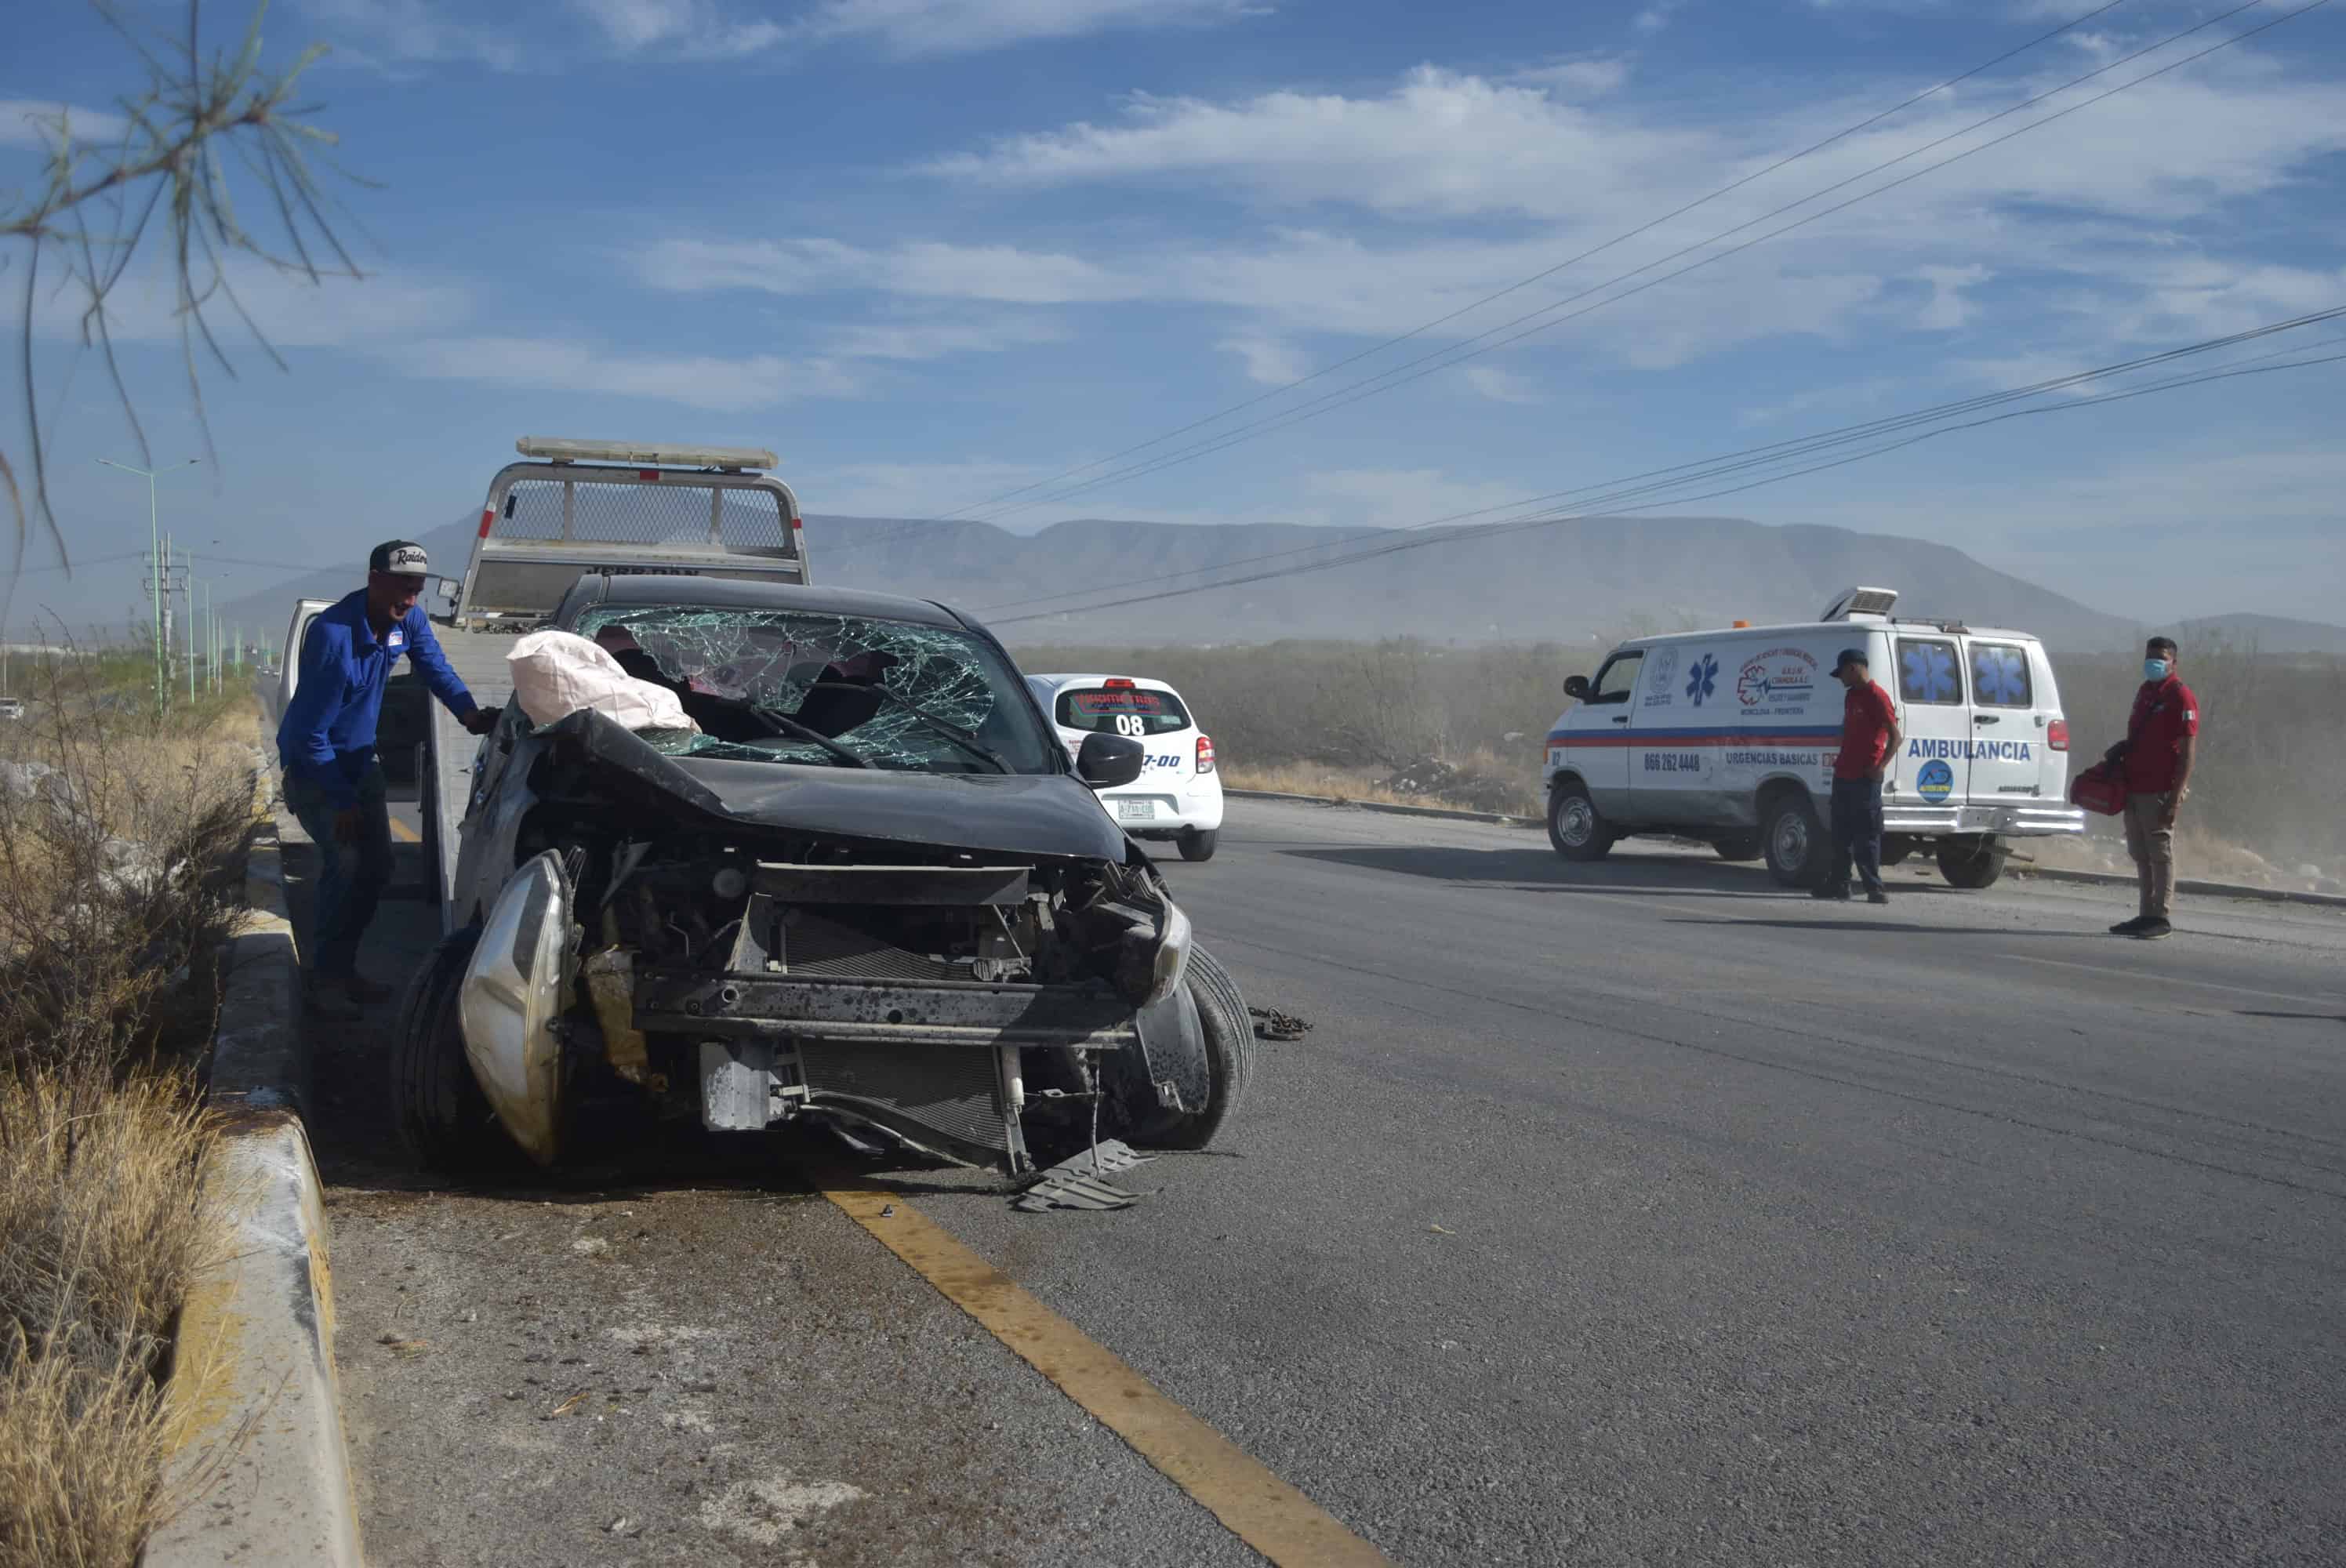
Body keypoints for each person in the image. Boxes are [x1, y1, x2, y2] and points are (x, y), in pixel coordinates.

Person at [278, 541, 498, 1014]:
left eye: (417, 590)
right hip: (317, 768)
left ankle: (344, 968)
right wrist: (340, 800)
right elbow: (311, 733)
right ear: (374, 579)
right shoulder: (334, 636)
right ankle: (324, 981)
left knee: (378, 869)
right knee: (347, 861)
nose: (411, 600)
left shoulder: (408, 621)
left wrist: (469, 714)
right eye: (402, 588)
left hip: (360, 761)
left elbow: (433, 666)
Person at [2107, 636, 2199, 940]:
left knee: (2160, 853)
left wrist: (2174, 798)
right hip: (2135, 785)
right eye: (2150, 657)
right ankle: (2145, 913)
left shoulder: (2181, 697)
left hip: (2160, 789)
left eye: (2161, 657)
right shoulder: (2146, 691)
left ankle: (2161, 916)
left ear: (2174, 662)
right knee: (2140, 853)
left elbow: (2187, 753)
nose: (2154, 662)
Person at [1817, 647, 1901, 905]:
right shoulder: (1851, 696)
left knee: (1867, 835)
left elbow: (1896, 737)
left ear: (1853, 668)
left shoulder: (1877, 696)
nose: (1840, 680)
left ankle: (1874, 888)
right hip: (1844, 774)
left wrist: (1881, 766)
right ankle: (1839, 884)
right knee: (1840, 834)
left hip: (1866, 777)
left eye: (1841, 673)